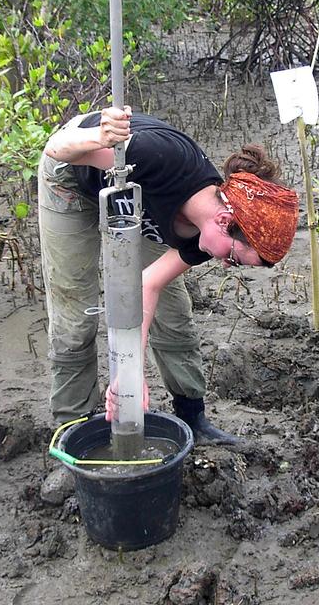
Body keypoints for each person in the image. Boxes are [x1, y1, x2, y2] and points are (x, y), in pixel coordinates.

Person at [38, 106, 299, 502]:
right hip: (73, 175)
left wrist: (131, 375)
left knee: (174, 316)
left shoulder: (205, 236)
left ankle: (193, 417)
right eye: (233, 257)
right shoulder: (160, 157)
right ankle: (74, 434)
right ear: (226, 222)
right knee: (76, 319)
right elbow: (58, 148)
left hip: (136, 198)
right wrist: (101, 138)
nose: (226, 264)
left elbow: (148, 283)